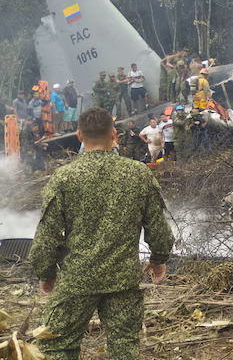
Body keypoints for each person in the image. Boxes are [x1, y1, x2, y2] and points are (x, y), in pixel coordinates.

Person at [28, 107, 175, 359]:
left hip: (77, 280)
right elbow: (157, 226)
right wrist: (159, 258)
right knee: (124, 347)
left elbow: (47, 235)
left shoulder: (64, 178)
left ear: (79, 135)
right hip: (123, 280)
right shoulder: (138, 174)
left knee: (58, 346)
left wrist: (46, 273)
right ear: (114, 134)